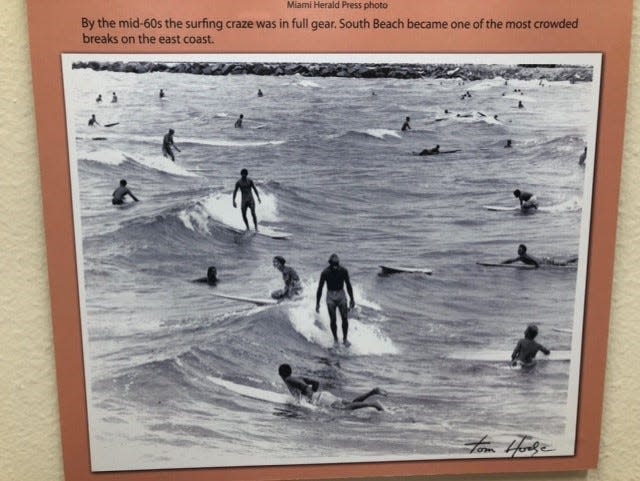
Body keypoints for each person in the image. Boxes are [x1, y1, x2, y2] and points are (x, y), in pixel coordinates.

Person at [278, 364, 386, 411]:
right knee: (350, 404)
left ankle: (373, 404)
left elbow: (304, 386)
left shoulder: (288, 379)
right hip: (322, 395)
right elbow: (315, 382)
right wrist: (312, 394)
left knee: (344, 409)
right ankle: (373, 392)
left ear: (281, 375)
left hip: (319, 398)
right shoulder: (298, 377)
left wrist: (311, 397)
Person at [316, 254, 355, 346]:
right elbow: (320, 288)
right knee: (333, 319)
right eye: (333, 264)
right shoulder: (325, 272)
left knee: (344, 318)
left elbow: (348, 285)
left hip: (341, 295)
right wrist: (317, 303)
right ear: (330, 264)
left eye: (337, 264)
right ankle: (336, 340)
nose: (335, 266)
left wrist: (352, 299)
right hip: (330, 296)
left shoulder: (343, 271)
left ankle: (345, 339)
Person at [501, 244, 578, 268]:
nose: (518, 250)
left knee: (564, 264)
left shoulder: (523, 256)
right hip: (544, 260)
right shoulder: (523, 256)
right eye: (518, 249)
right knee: (563, 263)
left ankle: (576, 259)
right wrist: (502, 263)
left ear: (524, 251)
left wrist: (538, 267)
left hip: (544, 262)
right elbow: (512, 260)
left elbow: (533, 261)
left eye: (520, 249)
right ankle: (575, 259)